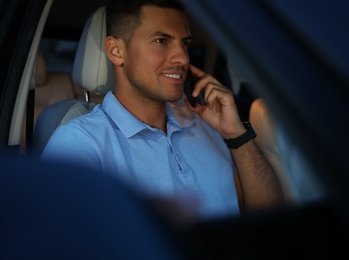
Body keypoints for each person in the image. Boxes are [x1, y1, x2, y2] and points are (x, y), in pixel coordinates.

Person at [41, 0, 283, 219]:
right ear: (116, 51)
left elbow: (270, 219)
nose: (183, 58)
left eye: (185, 43)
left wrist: (236, 135)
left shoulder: (207, 126)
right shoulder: (80, 143)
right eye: (161, 41)